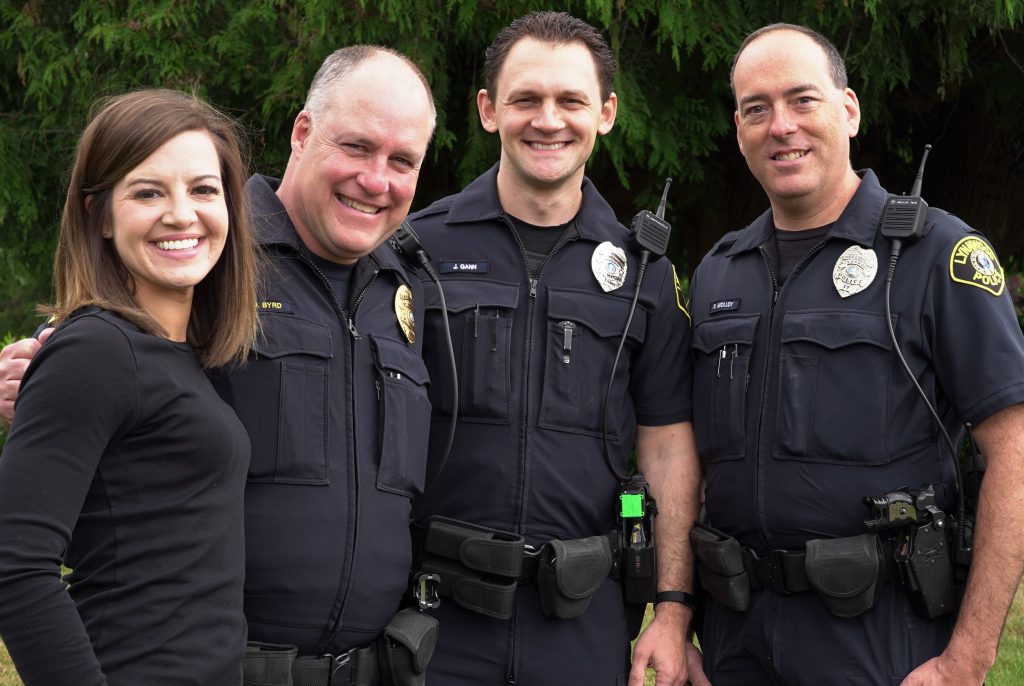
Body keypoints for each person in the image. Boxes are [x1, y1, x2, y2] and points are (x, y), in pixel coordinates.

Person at [0, 46, 439, 686]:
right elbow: (19, 556)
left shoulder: (406, 287)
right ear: (302, 132)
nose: (376, 179)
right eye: (356, 147)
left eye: (402, 160)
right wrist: (33, 367)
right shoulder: (195, 269)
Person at [687, 23, 1024, 685]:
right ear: (739, 129)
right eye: (757, 109)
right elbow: (690, 467)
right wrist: (679, 620)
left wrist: (967, 659)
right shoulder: (718, 273)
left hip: (881, 642)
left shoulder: (932, 258)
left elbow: (1014, 450)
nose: (781, 125)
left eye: (802, 100)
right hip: (736, 640)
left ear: (849, 110)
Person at [407, 12, 704, 686]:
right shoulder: (418, 249)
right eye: (526, 99)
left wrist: (673, 605)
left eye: (571, 100)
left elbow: (666, 446)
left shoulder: (644, 274)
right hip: (435, 620)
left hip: (582, 620)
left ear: (606, 113)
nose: (549, 120)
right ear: (489, 111)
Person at [0, 88, 260, 685]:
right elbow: (16, 566)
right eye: (147, 192)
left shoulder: (177, 354)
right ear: (100, 216)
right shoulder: (96, 350)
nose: (181, 214)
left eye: (203, 190)